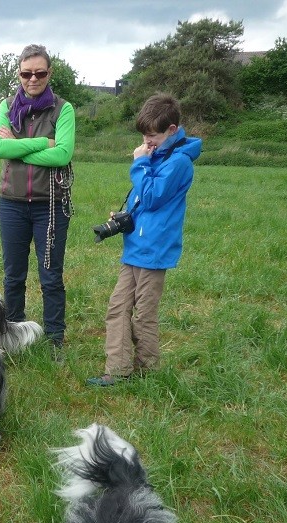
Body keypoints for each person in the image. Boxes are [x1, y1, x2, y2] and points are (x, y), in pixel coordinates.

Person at [87, 93, 202, 386]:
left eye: (153, 135)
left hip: (155, 252)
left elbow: (152, 196)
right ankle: (118, 370)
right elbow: (145, 203)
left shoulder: (178, 163)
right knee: (117, 308)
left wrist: (140, 163)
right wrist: (126, 217)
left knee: (144, 314)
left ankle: (148, 369)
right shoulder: (157, 156)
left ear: (172, 131)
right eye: (144, 134)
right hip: (135, 248)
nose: (147, 140)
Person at [0, 44, 75, 354]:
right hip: (11, 204)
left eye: (39, 73)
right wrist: (42, 143)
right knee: (13, 275)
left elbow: (63, 154)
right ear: (19, 74)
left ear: (49, 73)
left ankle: (55, 340)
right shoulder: (6, 105)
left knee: (50, 276)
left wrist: (20, 146)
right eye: (27, 73)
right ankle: (13, 336)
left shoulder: (63, 109)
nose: (33, 79)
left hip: (50, 206)